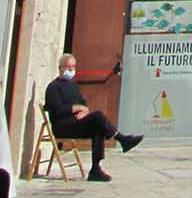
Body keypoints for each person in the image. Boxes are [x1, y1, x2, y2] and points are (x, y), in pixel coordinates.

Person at [44, 53, 143, 183]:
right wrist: (76, 108)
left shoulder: (73, 85)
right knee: (97, 117)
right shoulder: (53, 87)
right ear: (61, 68)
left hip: (77, 123)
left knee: (98, 127)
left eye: (73, 67)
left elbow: (83, 103)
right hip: (63, 126)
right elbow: (57, 110)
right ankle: (122, 139)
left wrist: (84, 111)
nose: (71, 70)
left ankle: (95, 169)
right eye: (68, 67)